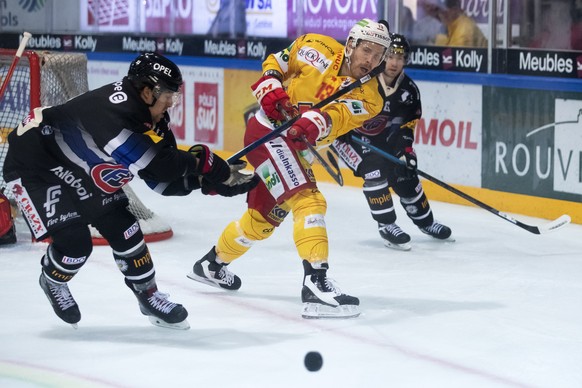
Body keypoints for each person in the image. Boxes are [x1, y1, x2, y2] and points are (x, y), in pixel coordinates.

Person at [2, 52, 259, 330]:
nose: (171, 102)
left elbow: (161, 181)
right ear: (147, 90)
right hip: (36, 166)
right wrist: (207, 165)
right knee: (75, 245)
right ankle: (52, 279)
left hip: (81, 167)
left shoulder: (155, 117)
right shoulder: (113, 112)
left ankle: (149, 296)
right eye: (167, 95)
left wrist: (208, 184)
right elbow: (160, 166)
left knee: (125, 229)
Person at [187, 19, 391, 319]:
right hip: (264, 134)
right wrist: (270, 84)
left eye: (378, 54)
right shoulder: (314, 46)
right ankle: (316, 282)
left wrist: (316, 123)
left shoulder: (372, 96)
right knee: (309, 200)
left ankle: (211, 264)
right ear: (351, 45)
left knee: (261, 221)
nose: (371, 59)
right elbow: (277, 63)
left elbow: (339, 116)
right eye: (366, 50)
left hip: (297, 150)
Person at [332, 32, 453, 251]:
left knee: (404, 170)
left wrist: (405, 151)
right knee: (374, 169)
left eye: (400, 57)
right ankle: (387, 224)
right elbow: (336, 101)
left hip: (382, 140)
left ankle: (426, 223)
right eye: (390, 55)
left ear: (406, 60)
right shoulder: (364, 80)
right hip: (347, 138)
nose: (394, 62)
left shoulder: (409, 90)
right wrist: (341, 126)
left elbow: (407, 126)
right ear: (382, 57)